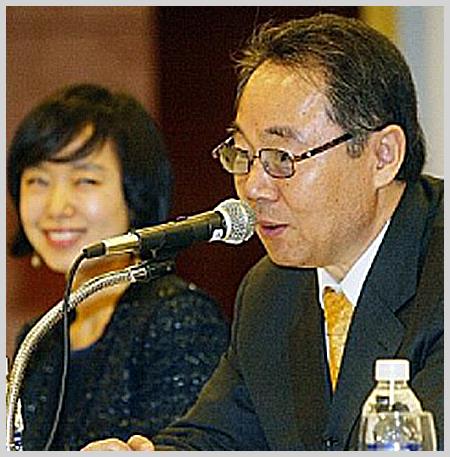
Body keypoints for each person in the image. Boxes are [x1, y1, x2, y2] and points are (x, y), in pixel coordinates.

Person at [81, 13, 443, 451]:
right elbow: (217, 436)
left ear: (382, 155)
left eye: (282, 157)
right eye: (242, 154)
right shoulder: (271, 291)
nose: (253, 187)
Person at [7, 83, 230, 451]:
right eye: (38, 181)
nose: (56, 206)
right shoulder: (40, 336)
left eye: (85, 180)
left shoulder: (178, 317)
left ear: (136, 195)